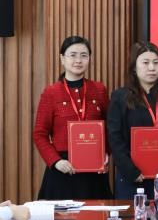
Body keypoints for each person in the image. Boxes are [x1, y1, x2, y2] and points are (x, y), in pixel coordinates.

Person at [33, 36, 112, 200]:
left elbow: (110, 127)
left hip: (94, 169)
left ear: (89, 59)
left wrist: (106, 152)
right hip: (63, 169)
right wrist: (55, 161)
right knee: (63, 215)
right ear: (62, 58)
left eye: (84, 55)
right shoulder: (51, 93)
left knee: (96, 214)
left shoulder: (99, 90)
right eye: (73, 55)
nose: (78, 60)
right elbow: (40, 133)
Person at [107, 41, 158, 199]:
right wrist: (131, 171)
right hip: (132, 178)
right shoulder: (120, 98)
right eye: (145, 62)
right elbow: (115, 138)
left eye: (156, 63)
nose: (152, 67)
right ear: (134, 67)